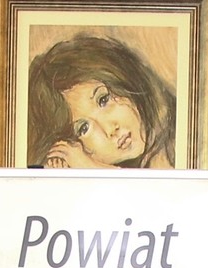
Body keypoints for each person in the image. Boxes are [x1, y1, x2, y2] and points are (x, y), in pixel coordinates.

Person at [27, 34, 176, 169]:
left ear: (125, 80)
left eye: (103, 100)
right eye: (84, 128)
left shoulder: (172, 144)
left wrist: (91, 168)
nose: (110, 130)